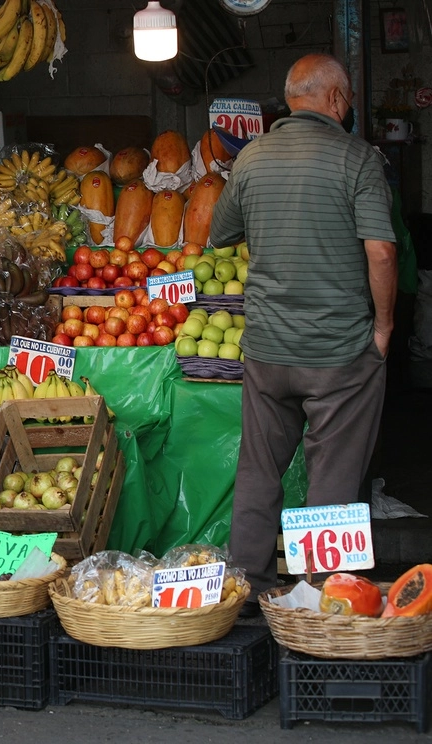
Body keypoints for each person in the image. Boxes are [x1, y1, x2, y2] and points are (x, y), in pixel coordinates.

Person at [209, 54, 397, 614]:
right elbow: (382, 251)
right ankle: (324, 600)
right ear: (337, 100)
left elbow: (221, 234)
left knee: (260, 471)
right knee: (333, 478)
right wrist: (384, 328)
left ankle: (246, 592)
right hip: (339, 354)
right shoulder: (359, 159)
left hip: (267, 350)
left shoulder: (252, 157)